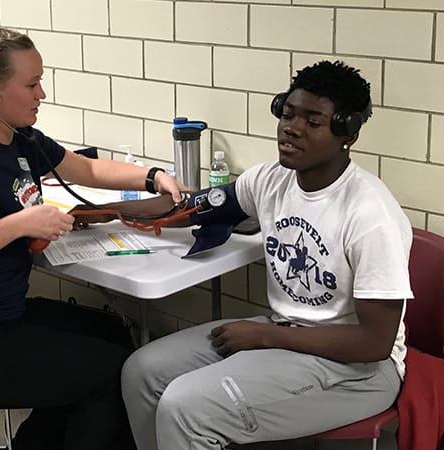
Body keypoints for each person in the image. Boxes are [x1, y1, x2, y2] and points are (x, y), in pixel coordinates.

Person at [73, 60, 413, 450]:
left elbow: (374, 343)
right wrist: (107, 212)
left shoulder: (370, 215)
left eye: (312, 122)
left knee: (186, 407)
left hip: (359, 372)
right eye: (287, 114)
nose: (292, 128)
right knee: (142, 372)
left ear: (346, 133)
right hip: (285, 332)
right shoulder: (271, 179)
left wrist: (266, 336)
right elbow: (189, 209)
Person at [0, 27, 181, 450]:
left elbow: (84, 170)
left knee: (111, 335)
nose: (42, 94)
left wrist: (153, 177)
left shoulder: (19, 138)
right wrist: (20, 224)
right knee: (109, 373)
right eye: (32, 84)